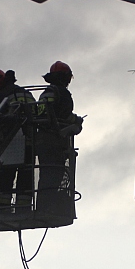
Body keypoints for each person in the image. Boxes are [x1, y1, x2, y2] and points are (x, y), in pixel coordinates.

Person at [0, 68, 35, 213]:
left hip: (10, 144)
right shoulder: (26, 93)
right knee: (26, 178)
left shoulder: (3, 95)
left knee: (4, 179)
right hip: (30, 143)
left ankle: (2, 210)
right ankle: (23, 209)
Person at [35, 61, 81, 216]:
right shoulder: (62, 93)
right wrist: (76, 122)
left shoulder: (46, 93)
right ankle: (48, 208)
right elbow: (63, 114)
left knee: (46, 175)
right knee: (55, 175)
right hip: (55, 141)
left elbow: (45, 114)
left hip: (42, 140)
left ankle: (43, 206)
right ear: (65, 77)